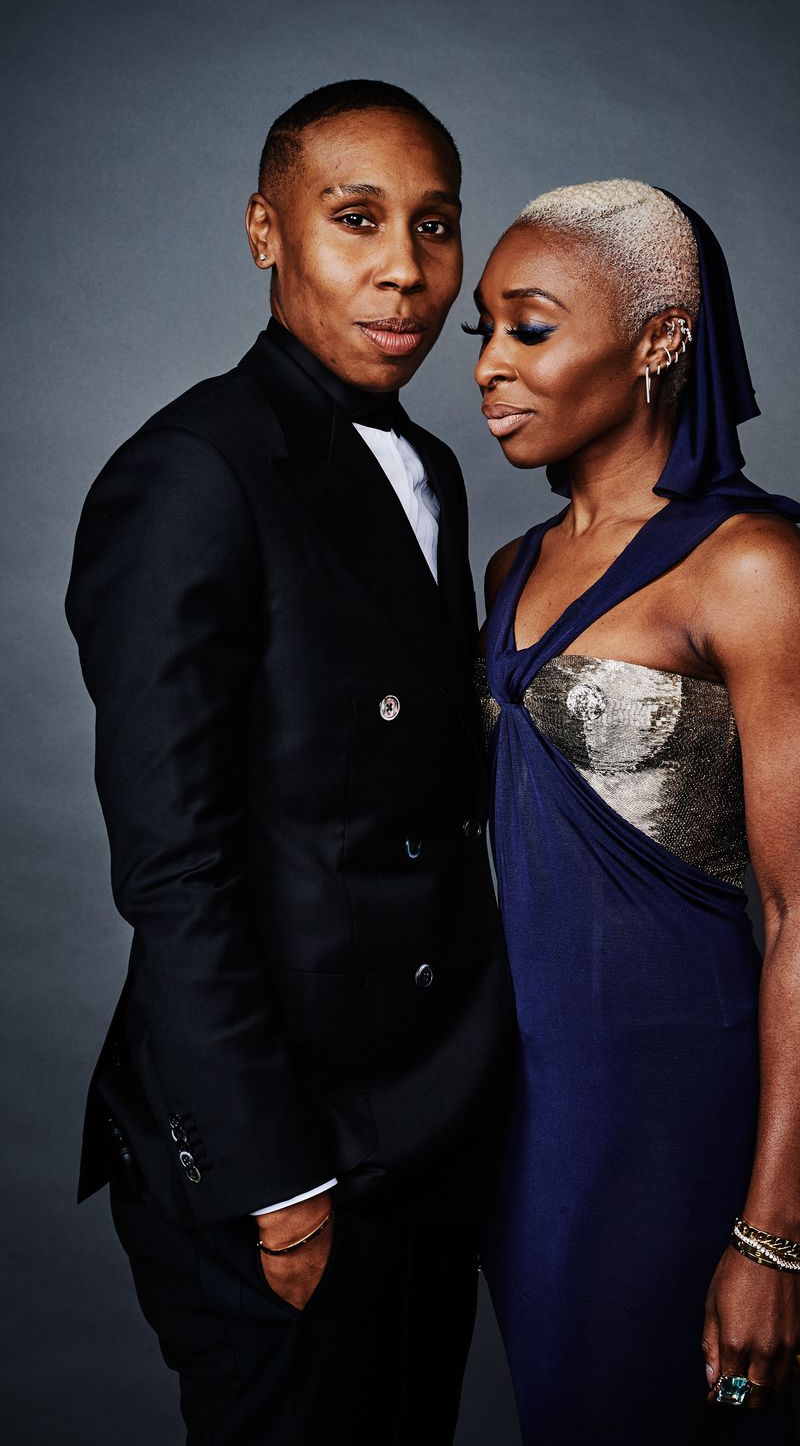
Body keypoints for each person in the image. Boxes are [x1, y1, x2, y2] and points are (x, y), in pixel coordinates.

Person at [65, 79, 514, 1446]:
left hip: (428, 1121)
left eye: (435, 227)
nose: (406, 270)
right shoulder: (194, 473)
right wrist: (277, 1179)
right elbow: (175, 863)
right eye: (356, 218)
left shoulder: (432, 464)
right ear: (266, 230)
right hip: (282, 1146)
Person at [471, 181, 800, 1442]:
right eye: (485, 329)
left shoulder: (751, 569)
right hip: (518, 1103)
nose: (485, 367)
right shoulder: (505, 568)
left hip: (668, 1099)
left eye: (527, 330)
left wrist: (775, 1232)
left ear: (656, 340)